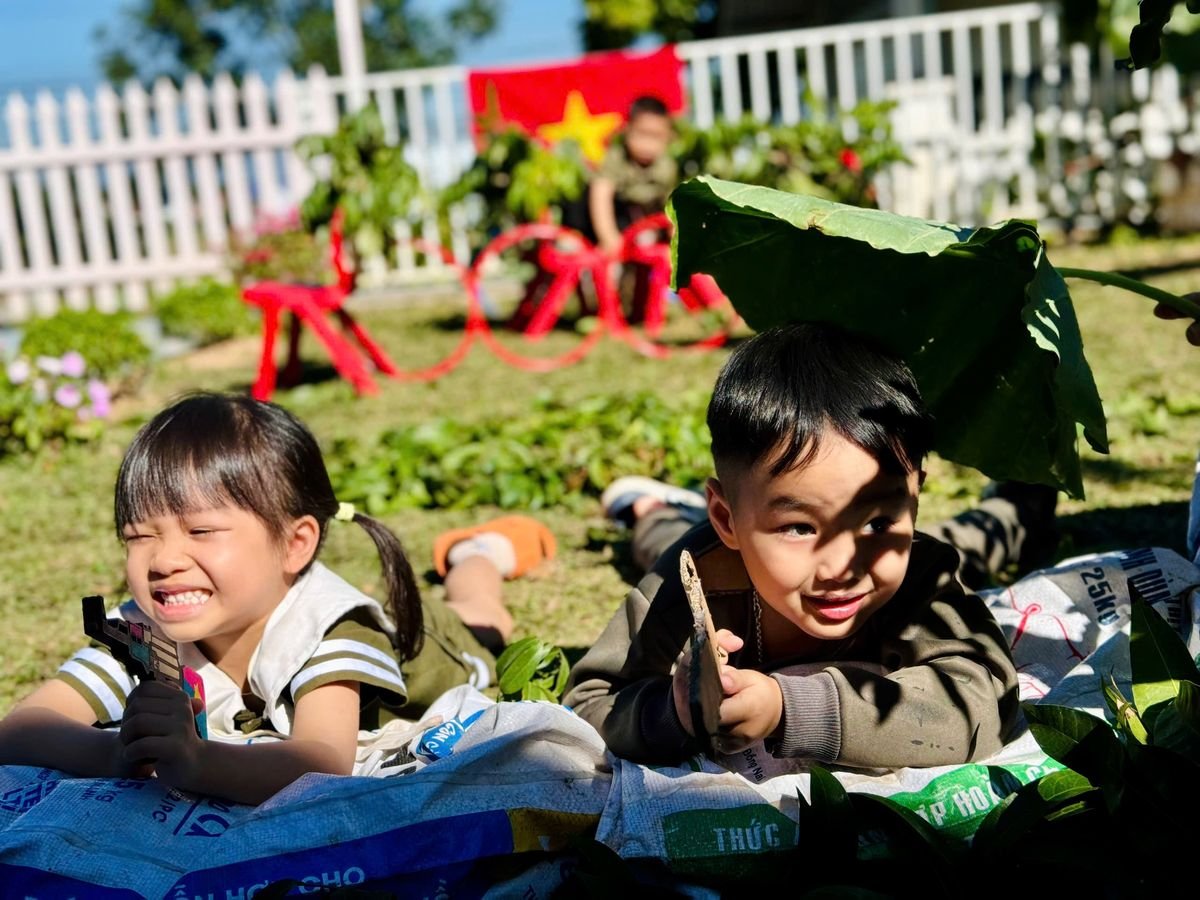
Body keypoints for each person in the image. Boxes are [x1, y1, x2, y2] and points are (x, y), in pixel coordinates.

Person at [0, 393, 555, 805]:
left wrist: (195, 761)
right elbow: (20, 728)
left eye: (200, 531)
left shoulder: (329, 629)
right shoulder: (142, 630)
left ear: (295, 544)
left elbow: (321, 762)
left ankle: (480, 553)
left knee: (480, 614)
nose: (163, 560)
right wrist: (117, 753)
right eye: (139, 536)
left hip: (436, 644)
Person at [564, 323, 1020, 772]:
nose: (841, 567)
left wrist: (791, 708)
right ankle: (649, 510)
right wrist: (674, 711)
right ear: (726, 517)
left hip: (908, 547)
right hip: (705, 550)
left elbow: (985, 700)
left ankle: (1017, 507)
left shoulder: (920, 573)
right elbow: (589, 701)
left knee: (976, 540)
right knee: (666, 540)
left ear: (915, 497)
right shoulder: (697, 580)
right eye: (799, 528)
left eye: (878, 522)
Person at [584, 95, 677, 257]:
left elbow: (671, 207)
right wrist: (609, 239)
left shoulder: (667, 166)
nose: (647, 144)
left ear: (668, 136)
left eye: (656, 136)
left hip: (649, 223)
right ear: (627, 130)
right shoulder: (615, 159)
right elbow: (600, 196)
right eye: (642, 134)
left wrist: (674, 236)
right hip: (618, 219)